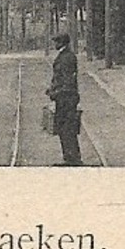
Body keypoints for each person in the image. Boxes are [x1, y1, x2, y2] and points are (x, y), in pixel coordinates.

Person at [46, 32, 82, 165]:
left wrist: (55, 93)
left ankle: (72, 159)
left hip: (66, 97)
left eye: (57, 42)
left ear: (62, 43)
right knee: (64, 128)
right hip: (65, 96)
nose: (55, 44)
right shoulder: (65, 56)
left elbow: (67, 80)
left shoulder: (66, 58)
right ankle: (70, 157)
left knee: (67, 129)